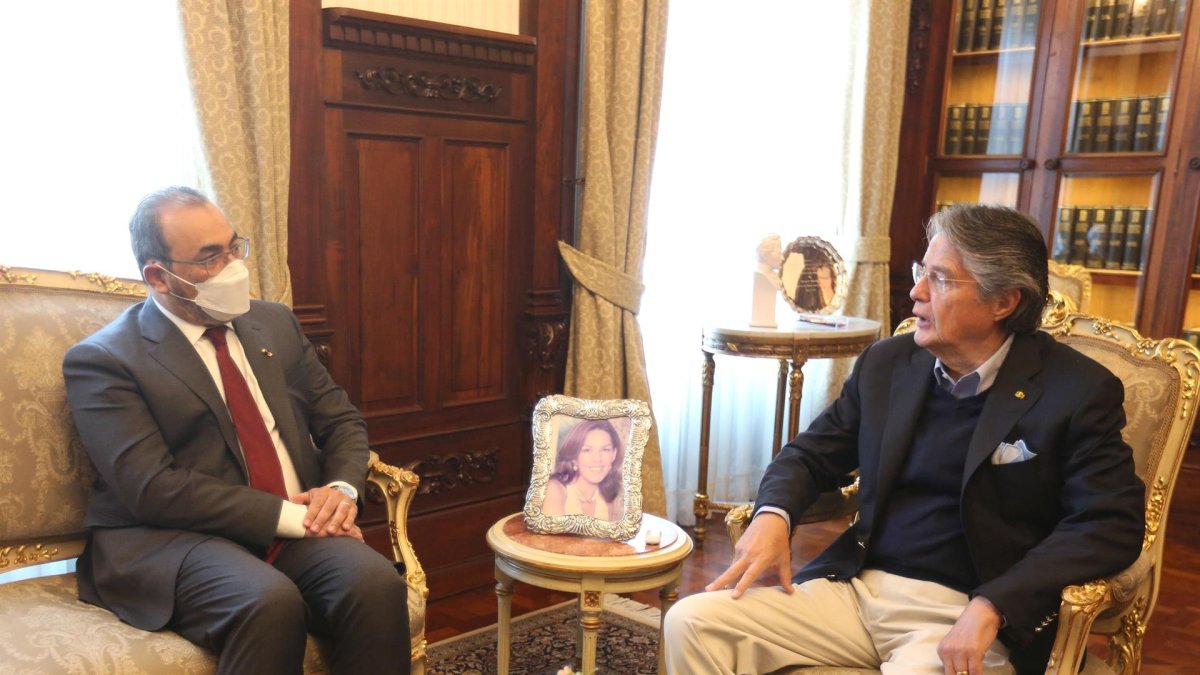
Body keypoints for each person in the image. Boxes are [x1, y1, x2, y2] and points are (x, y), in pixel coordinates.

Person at [663, 205, 1145, 675]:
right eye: (922, 270)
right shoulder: (889, 364)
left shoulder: (1077, 391)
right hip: (858, 589)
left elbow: (1109, 523)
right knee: (694, 621)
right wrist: (773, 515)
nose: (914, 292)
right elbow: (810, 455)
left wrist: (995, 604)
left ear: (1003, 302)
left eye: (940, 279)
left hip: (965, 613)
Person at [63, 186, 410, 675]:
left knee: (374, 583)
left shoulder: (274, 323)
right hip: (174, 540)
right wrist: (298, 518)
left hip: (291, 530)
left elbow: (341, 419)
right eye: (209, 258)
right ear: (159, 277)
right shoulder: (106, 361)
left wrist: (340, 490)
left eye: (233, 247)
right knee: (267, 600)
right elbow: (151, 489)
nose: (233, 267)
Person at [542, 418, 625, 521]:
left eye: (605, 450)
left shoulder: (608, 496)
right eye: (587, 450)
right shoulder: (554, 489)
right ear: (574, 456)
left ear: (614, 455)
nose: (597, 459)